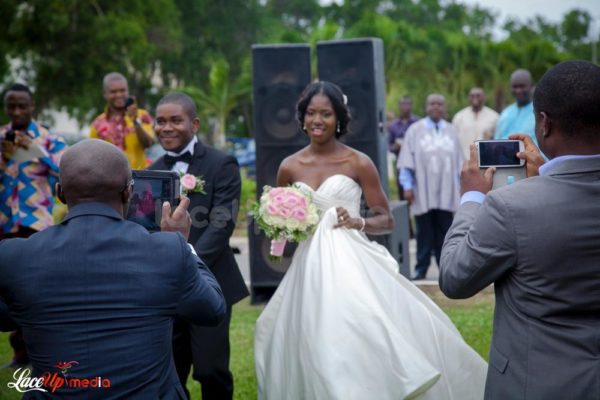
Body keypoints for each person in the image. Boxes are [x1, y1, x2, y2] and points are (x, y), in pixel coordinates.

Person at [254, 81, 486, 400]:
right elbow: (282, 221)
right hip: (309, 267)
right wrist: (278, 238)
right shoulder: (289, 167)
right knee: (307, 334)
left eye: (326, 113)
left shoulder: (357, 162)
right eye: (311, 113)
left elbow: (386, 219)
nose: (317, 120)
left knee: (359, 327)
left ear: (339, 118)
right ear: (302, 117)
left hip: (351, 260)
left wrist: (358, 220)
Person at [0, 139, 226, 399]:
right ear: (128, 193)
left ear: (60, 193)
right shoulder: (167, 251)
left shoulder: (14, 255)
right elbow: (212, 309)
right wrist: (184, 245)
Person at [440, 60, 600, 399]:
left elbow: (455, 279)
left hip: (536, 385)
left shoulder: (510, 207)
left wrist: (471, 197)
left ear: (543, 124)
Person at [149, 92, 248, 400]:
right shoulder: (150, 169)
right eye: (161, 121)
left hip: (211, 280)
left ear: (194, 123)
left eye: (175, 120)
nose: (166, 127)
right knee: (171, 369)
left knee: (210, 369)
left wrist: (186, 259)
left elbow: (222, 223)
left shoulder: (221, 163)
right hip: (166, 285)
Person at [0, 83, 67, 368]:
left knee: (33, 288)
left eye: (22, 106)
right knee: (7, 288)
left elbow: (66, 171)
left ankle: (34, 352)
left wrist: (36, 151)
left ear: (33, 106)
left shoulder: (51, 140)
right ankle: (17, 353)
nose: (16, 111)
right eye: (11, 106)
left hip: (35, 223)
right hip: (4, 221)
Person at [397, 94, 463, 280]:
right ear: (426, 107)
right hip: (422, 192)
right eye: (432, 104)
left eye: (439, 104)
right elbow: (406, 162)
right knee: (423, 232)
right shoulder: (414, 130)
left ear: (444, 108)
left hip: (446, 192)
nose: (436, 107)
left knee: (445, 232)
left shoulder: (451, 131)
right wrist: (407, 187)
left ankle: (446, 268)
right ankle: (421, 268)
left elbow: (459, 163)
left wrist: (462, 188)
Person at [89, 72, 154, 169]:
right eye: (113, 92)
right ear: (105, 94)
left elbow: (148, 143)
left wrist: (135, 121)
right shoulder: (97, 123)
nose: (119, 95)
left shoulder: (142, 115)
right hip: (108, 179)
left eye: (122, 90)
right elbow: (91, 154)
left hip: (138, 177)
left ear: (128, 91)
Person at [452, 87, 499, 158]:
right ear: (468, 98)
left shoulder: (494, 116)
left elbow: (498, 139)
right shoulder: (459, 117)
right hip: (464, 161)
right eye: (472, 96)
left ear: (484, 98)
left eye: (478, 95)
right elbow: (453, 140)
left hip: (486, 161)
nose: (475, 98)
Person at [388, 96, 419, 200]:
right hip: (401, 164)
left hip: (417, 163)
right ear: (399, 106)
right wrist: (396, 146)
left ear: (411, 106)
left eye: (408, 104)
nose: (406, 107)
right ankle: (406, 216)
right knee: (403, 194)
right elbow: (389, 147)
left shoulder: (417, 123)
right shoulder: (393, 126)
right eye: (403, 104)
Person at [494, 69, 537, 144]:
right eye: (515, 87)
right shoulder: (505, 113)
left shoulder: (538, 112)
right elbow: (497, 140)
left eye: (522, 86)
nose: (518, 91)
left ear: (532, 86)